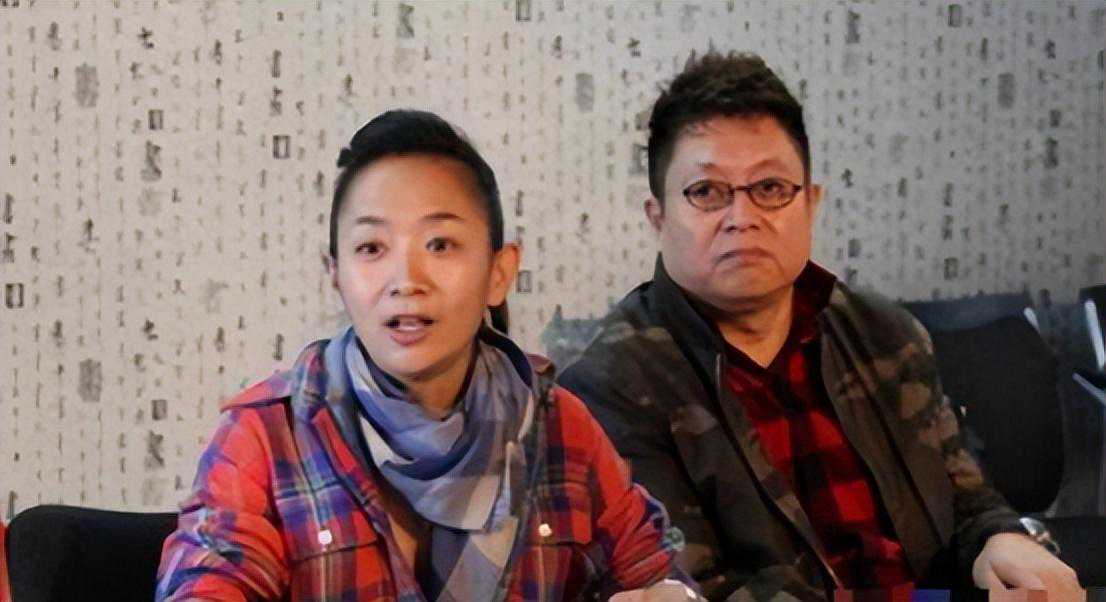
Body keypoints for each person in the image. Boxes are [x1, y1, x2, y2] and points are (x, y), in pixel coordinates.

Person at [557, 51, 1082, 599]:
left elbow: (963, 496)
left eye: (770, 188)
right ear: (658, 217)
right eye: (707, 192)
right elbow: (693, 588)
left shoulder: (883, 334)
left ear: (810, 203)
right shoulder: (609, 390)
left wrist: (1001, 538)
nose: (743, 218)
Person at [157, 110, 694, 601]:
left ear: (499, 272)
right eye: (372, 248)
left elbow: (656, 574)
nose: (406, 280)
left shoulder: (559, 426)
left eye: (440, 245)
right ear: (335, 274)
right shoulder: (267, 435)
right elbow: (207, 584)